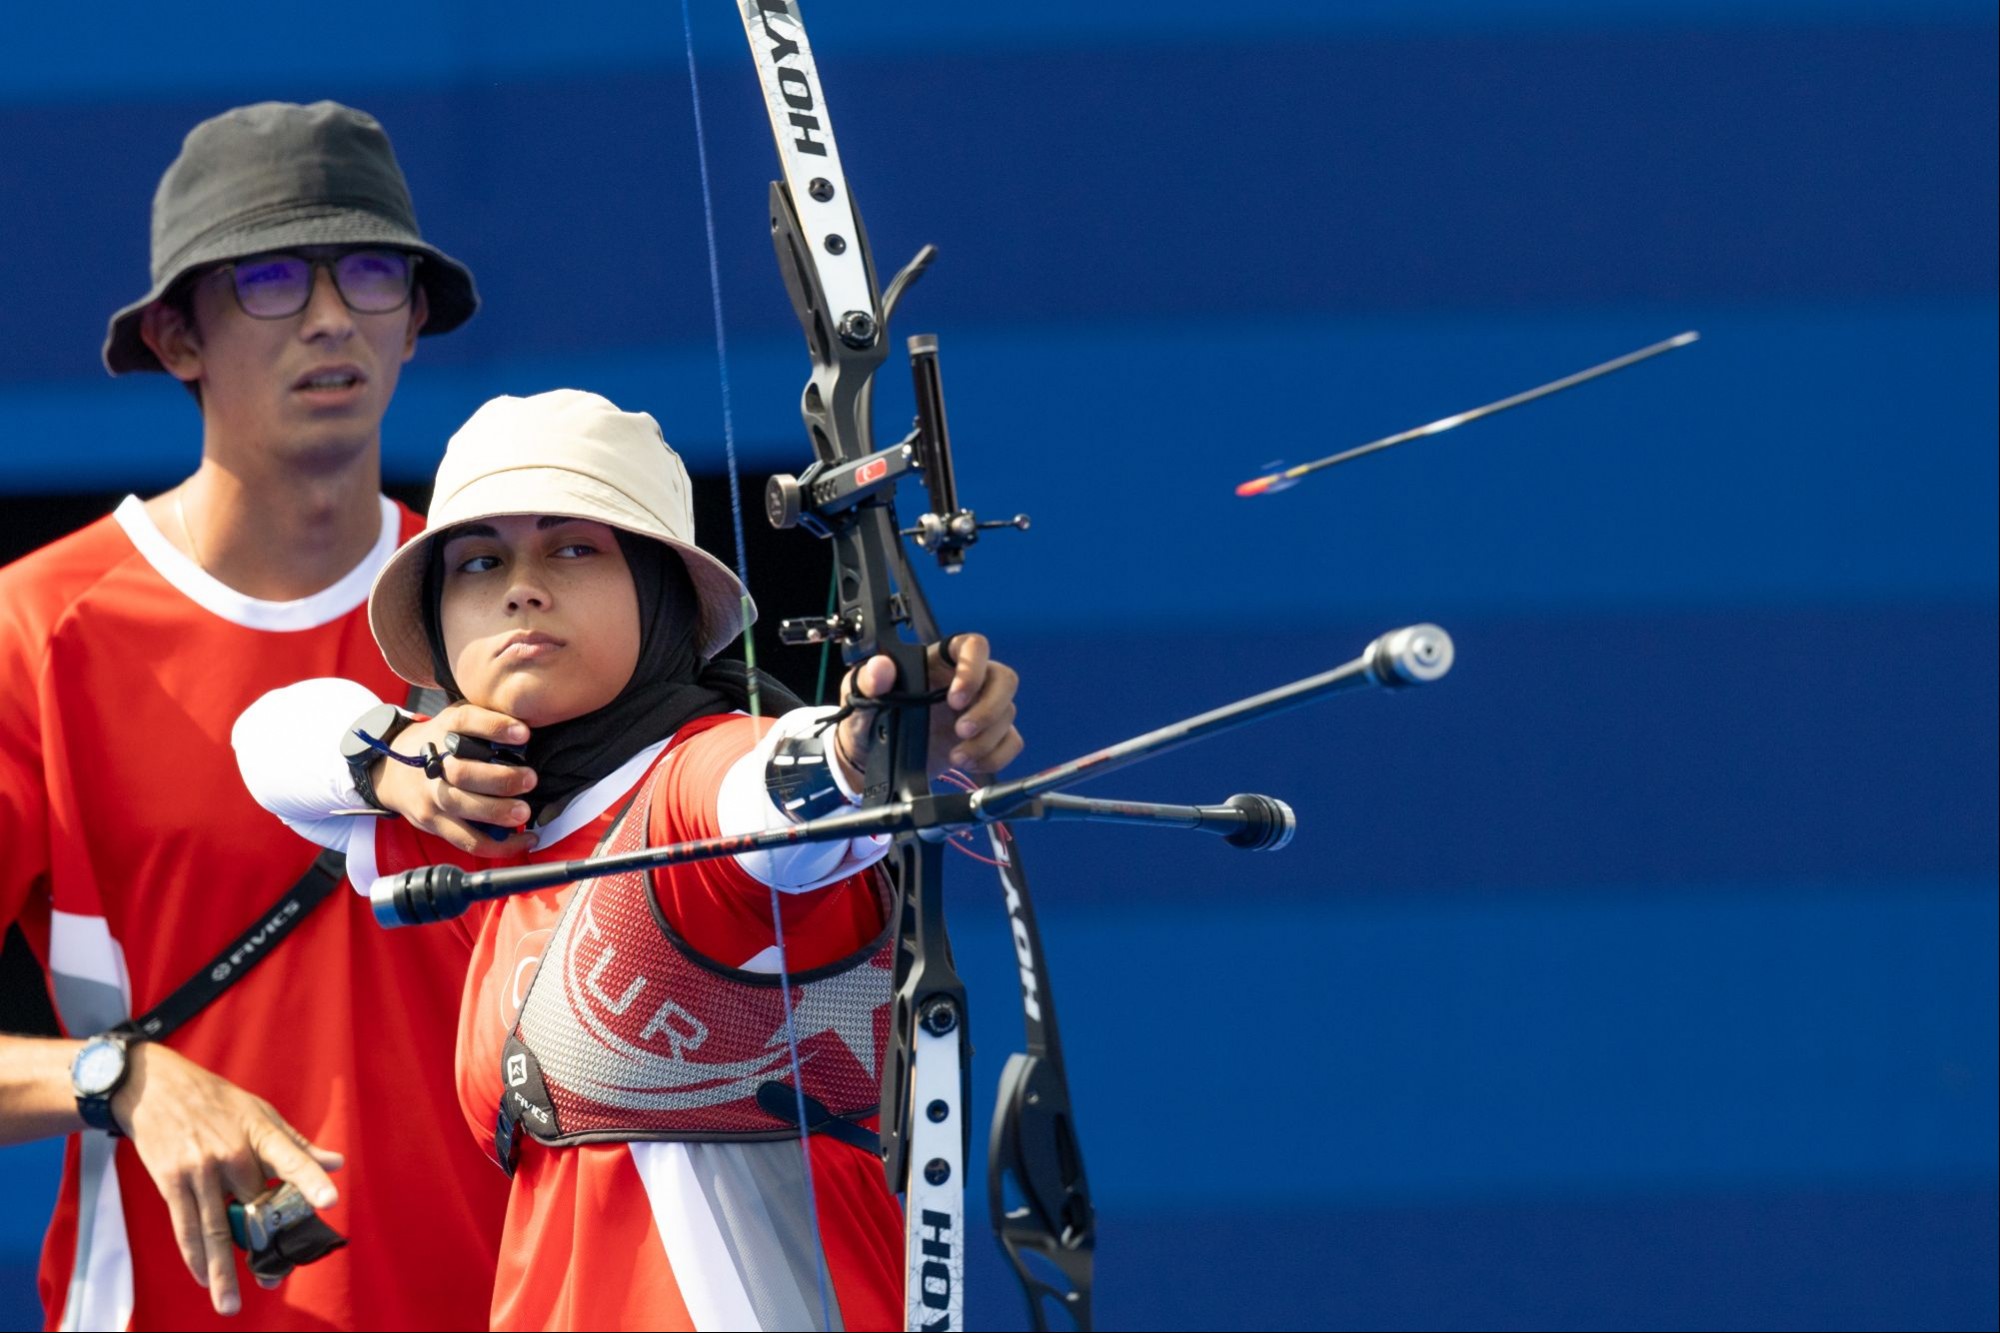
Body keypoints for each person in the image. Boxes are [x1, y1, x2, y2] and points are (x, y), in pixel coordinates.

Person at [231, 388, 1024, 1331]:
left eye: (575, 548)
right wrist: (394, 760)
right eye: (480, 562)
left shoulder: (699, 775)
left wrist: (872, 744)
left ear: (663, 595)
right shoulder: (492, 810)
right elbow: (262, 739)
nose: (523, 585)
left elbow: (774, 789)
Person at [0, 102, 510, 1328]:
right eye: (273, 277)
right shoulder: (36, 631)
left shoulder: (516, 605)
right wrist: (117, 1076)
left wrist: (911, 733)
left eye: (373, 272)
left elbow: (730, 817)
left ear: (413, 319)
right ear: (178, 336)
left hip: (515, 1297)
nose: (333, 315)